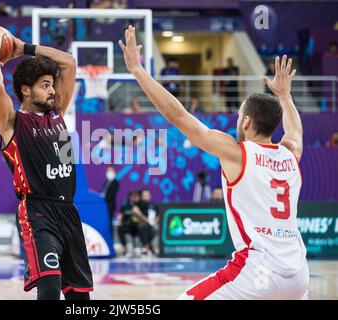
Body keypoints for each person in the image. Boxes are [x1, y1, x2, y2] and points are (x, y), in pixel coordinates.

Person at [120, 26, 308, 300]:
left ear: (246, 121)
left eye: (239, 113)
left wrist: (138, 70)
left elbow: (178, 115)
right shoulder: (291, 154)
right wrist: (284, 96)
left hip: (258, 273)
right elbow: (295, 132)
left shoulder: (238, 152)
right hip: (298, 275)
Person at [0, 33, 93, 300]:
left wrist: (22, 48)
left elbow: (69, 63)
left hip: (69, 211)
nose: (52, 90)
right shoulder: (12, 122)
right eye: (45, 85)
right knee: (49, 289)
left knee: (80, 298)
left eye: (52, 85)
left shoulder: (56, 113)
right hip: (38, 212)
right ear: (26, 90)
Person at [117, 191, 141, 257]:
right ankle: (125, 248)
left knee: (140, 227)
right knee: (120, 228)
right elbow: (121, 213)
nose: (134, 198)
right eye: (132, 196)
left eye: (136, 196)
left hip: (138, 225)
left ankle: (138, 248)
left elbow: (144, 217)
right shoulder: (126, 204)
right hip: (128, 225)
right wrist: (120, 216)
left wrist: (139, 213)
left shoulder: (141, 204)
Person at [136, 188, 158, 255]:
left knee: (156, 228)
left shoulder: (153, 205)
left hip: (153, 224)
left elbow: (159, 214)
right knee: (142, 226)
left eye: (148, 194)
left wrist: (156, 219)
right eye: (145, 195)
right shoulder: (139, 204)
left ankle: (148, 247)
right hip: (143, 224)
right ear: (141, 196)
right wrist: (145, 219)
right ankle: (147, 247)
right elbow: (137, 214)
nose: (147, 196)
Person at [100, 166, 120, 235]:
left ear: (114, 172)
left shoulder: (116, 183)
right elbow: (102, 191)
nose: (109, 173)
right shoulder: (106, 181)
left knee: (109, 221)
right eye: (108, 171)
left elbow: (111, 195)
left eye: (110, 171)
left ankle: (111, 237)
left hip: (110, 205)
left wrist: (104, 198)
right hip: (103, 205)